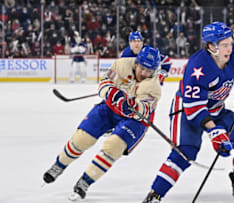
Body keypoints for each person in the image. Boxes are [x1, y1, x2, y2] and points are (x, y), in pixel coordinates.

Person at [143, 22, 234, 203]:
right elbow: (194, 108)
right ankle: (155, 195)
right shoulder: (197, 67)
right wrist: (215, 132)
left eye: (230, 43)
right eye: (224, 45)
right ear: (211, 46)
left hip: (217, 108)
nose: (229, 48)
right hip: (186, 109)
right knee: (185, 153)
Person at [43, 45, 162, 201]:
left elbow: (144, 111)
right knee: (82, 138)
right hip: (110, 108)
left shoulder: (153, 87)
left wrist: (133, 106)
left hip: (135, 120)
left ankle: (85, 181)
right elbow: (103, 84)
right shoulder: (122, 65)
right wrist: (114, 94)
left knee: (113, 146)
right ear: (137, 62)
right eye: (142, 69)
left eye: (149, 71)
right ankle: (59, 165)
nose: (144, 74)